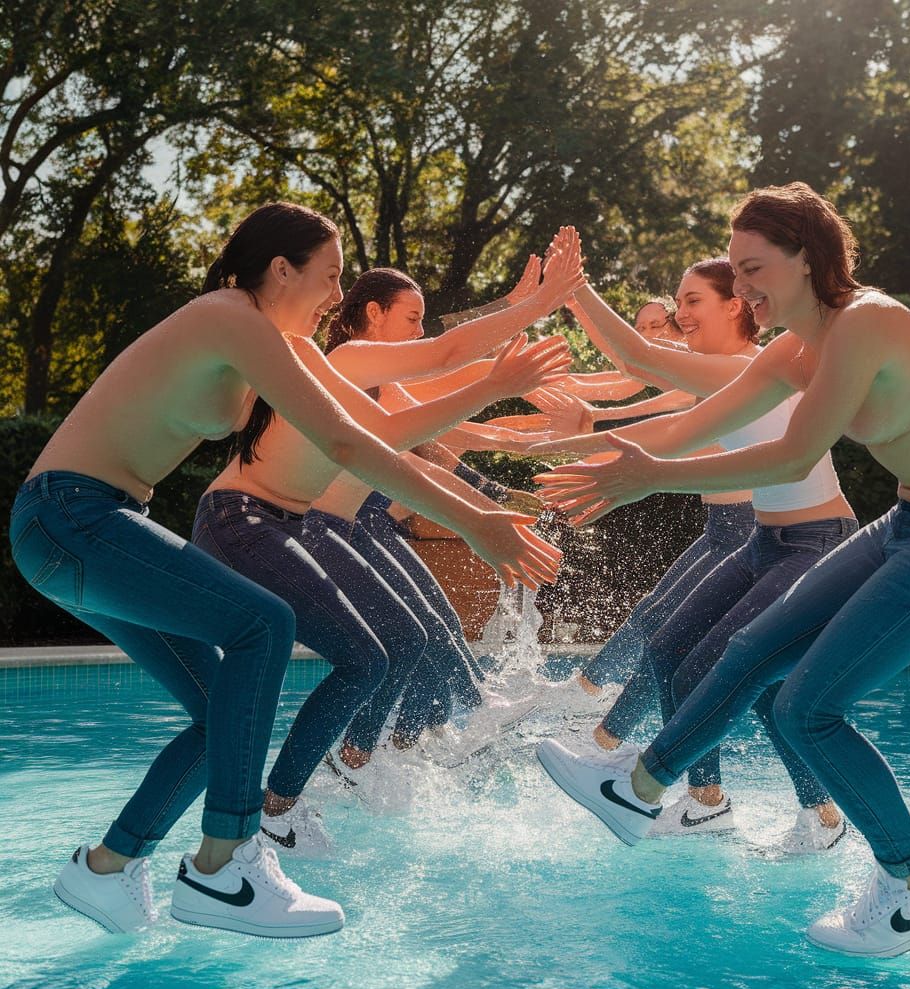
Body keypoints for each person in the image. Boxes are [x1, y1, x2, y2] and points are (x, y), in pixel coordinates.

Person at [7, 201, 545, 938]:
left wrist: (526, 314)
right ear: (280, 268)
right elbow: (352, 448)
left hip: (82, 525)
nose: (335, 296)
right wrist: (475, 522)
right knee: (265, 625)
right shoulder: (228, 316)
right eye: (328, 276)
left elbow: (379, 419)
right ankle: (224, 864)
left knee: (217, 715)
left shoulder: (268, 344)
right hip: (73, 516)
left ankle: (106, 868)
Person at [533, 182, 910, 956]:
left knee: (806, 708)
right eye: (736, 266)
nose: (744, 284)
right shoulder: (797, 347)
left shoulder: (866, 323)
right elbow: (704, 419)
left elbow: (795, 452)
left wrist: (649, 474)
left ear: (806, 257)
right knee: (748, 651)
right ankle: (638, 792)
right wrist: (626, 462)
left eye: (754, 266)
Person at [192, 239, 581, 852]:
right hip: (271, 521)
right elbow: (447, 361)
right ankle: (289, 799)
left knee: (403, 643)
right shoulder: (343, 358)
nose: (335, 296)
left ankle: (335, 769)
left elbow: (406, 431)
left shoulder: (326, 366)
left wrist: (492, 499)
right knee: (378, 653)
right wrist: (532, 308)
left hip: (292, 524)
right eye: (329, 278)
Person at [532, 258, 854, 850]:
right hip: (765, 539)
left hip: (814, 542)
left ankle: (800, 813)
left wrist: (573, 292)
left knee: (738, 673)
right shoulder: (730, 380)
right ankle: (712, 802)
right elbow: (668, 437)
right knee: (668, 650)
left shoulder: (746, 367)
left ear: (735, 305)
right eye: (678, 302)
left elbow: (639, 358)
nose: (680, 315)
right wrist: (578, 444)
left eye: (692, 301)